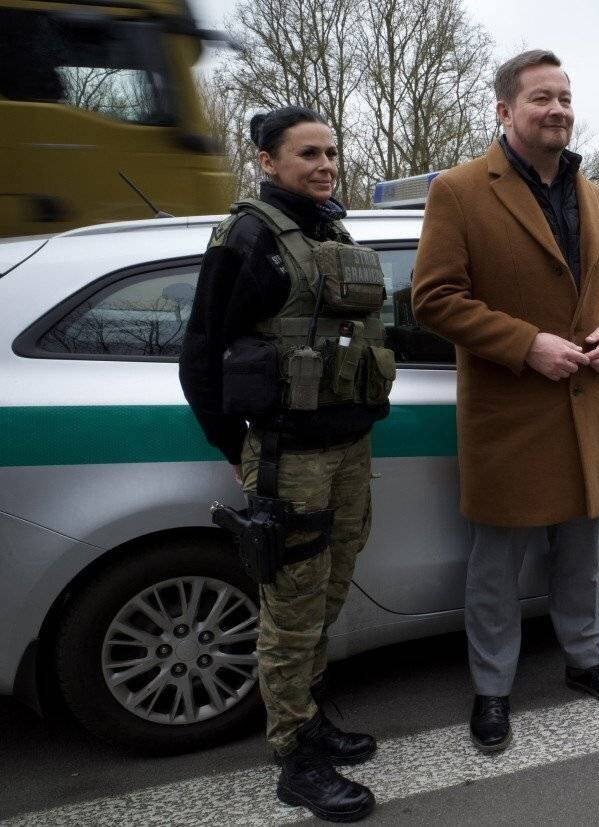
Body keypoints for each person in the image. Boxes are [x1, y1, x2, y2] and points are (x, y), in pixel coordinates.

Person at [412, 49, 599, 753]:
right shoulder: (459, 190)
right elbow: (434, 298)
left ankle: (586, 660)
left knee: (580, 556)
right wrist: (527, 344)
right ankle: (492, 688)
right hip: (509, 413)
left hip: (583, 408)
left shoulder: (595, 196)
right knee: (495, 570)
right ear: (505, 110)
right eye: (541, 97)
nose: (557, 110)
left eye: (564, 98)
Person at [180, 106, 393, 821]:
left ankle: (310, 715)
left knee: (328, 589)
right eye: (308, 153)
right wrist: (240, 448)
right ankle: (294, 756)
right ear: (268, 162)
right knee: (292, 605)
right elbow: (201, 356)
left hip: (348, 447)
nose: (326, 164)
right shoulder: (246, 236)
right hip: (288, 454)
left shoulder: (331, 230)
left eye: (331, 151)